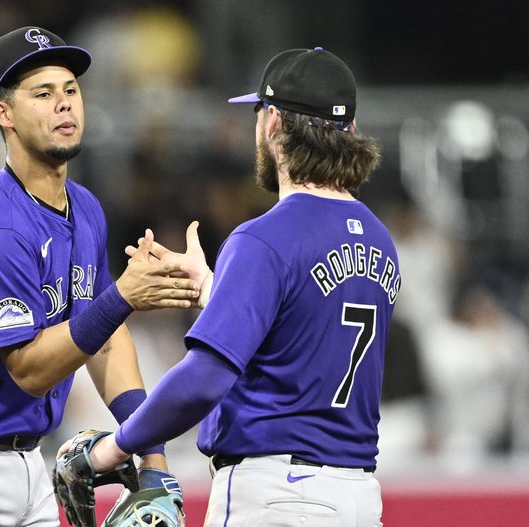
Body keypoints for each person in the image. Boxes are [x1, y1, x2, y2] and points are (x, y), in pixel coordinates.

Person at [0, 26, 199, 527]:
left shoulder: (85, 210)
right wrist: (124, 297)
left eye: (70, 90)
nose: (64, 105)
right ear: (3, 114)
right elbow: (27, 371)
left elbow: (104, 342)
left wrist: (152, 459)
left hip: (27, 463)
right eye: (42, 94)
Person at [81, 47, 401, 526]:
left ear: (273, 123)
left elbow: (204, 380)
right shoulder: (380, 239)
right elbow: (303, 335)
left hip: (278, 496)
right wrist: (215, 287)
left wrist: (113, 447)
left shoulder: (264, 238)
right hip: (357, 497)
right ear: (350, 132)